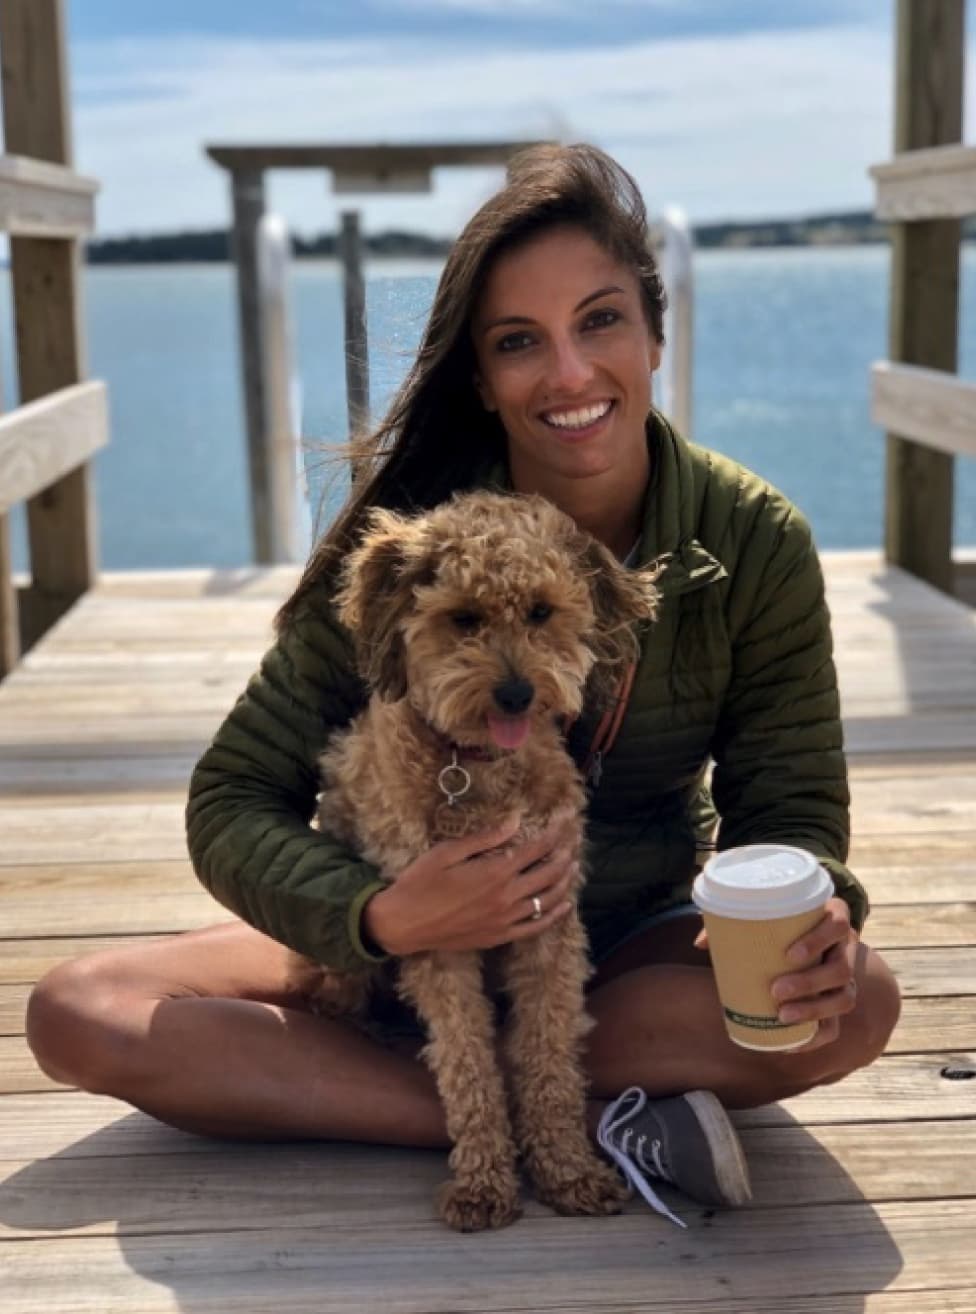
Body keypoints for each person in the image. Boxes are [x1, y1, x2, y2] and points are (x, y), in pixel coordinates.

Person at [25, 143, 901, 1215]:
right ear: (480, 377)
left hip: (624, 936)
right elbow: (230, 800)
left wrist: (819, 917)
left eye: (601, 320)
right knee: (79, 1010)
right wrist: (378, 917)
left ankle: (429, 1092)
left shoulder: (752, 539)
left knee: (857, 1004)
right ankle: (552, 1120)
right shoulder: (404, 550)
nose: (570, 374)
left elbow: (792, 812)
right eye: (519, 342)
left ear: (655, 333)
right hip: (396, 918)